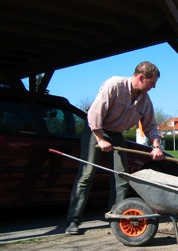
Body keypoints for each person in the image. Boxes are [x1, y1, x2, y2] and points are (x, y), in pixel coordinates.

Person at [66, 61, 164, 235]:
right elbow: (94, 113)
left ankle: (116, 218)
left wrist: (156, 146)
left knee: (121, 176)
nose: (154, 87)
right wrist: (100, 139)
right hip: (95, 130)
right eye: (152, 82)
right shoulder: (114, 85)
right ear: (141, 77)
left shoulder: (145, 100)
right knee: (87, 175)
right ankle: (73, 221)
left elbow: (150, 125)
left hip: (117, 135)